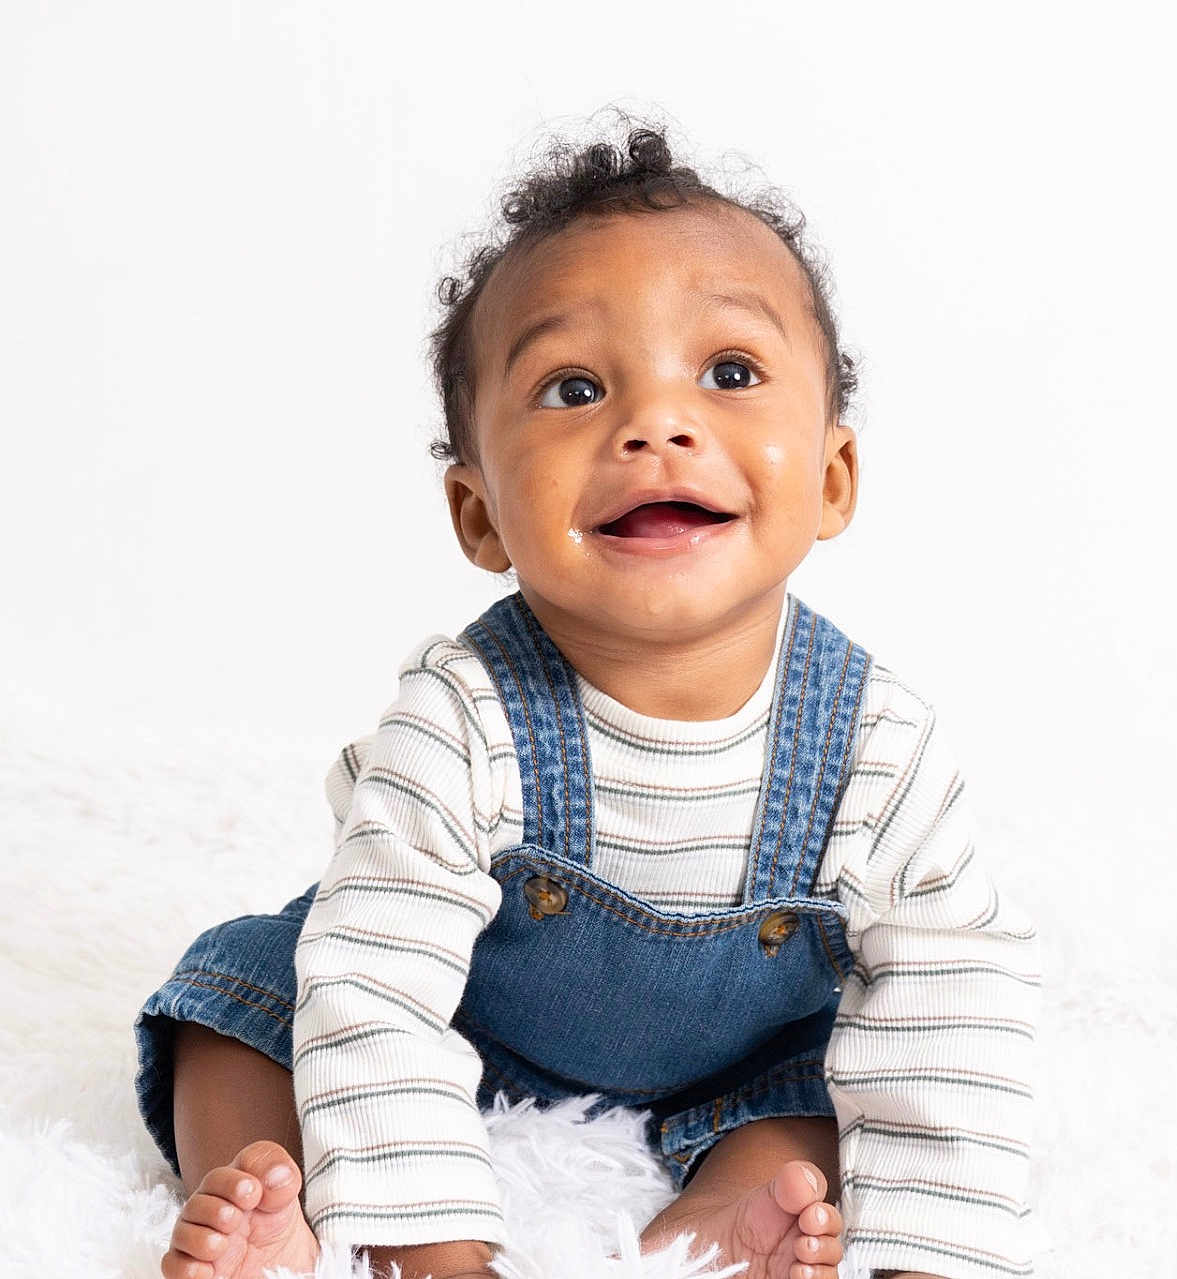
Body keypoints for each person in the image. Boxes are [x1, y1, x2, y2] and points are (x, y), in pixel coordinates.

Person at [134, 109, 1041, 1279]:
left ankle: (720, 1221)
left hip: (735, 1064)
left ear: (830, 477)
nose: (654, 425)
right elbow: (378, 984)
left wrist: (932, 1263)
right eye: (571, 387)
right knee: (251, 996)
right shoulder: (460, 717)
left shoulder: (878, 749)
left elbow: (951, 1013)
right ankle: (276, 1194)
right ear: (479, 514)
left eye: (729, 372)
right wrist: (442, 1258)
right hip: (463, 1019)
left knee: (845, 1082)